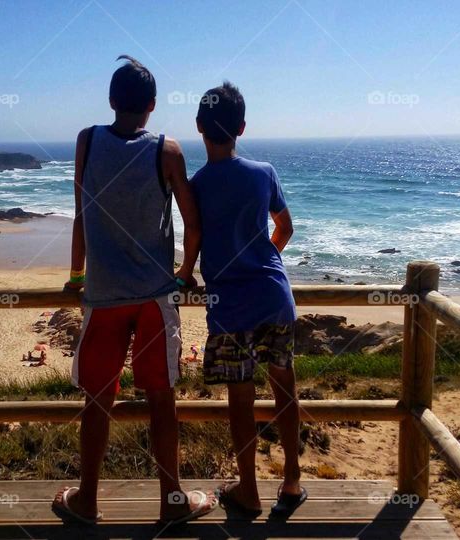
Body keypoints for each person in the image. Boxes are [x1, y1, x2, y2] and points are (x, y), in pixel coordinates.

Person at [52, 55, 214, 525]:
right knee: (161, 400)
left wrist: (77, 277)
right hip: (154, 298)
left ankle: (87, 501)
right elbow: (193, 222)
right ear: (153, 105)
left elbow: (80, 213)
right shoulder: (167, 151)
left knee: (98, 399)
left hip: (102, 296)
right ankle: (172, 502)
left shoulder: (87, 141)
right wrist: (185, 273)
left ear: (111, 101)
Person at [190, 82, 305, 519]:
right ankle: (292, 483)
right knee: (284, 388)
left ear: (199, 127)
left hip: (229, 304)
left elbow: (195, 239)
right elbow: (285, 228)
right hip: (274, 295)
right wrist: (264, 262)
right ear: (242, 127)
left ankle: (250, 492)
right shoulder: (264, 173)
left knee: (240, 399)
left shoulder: (196, 185)